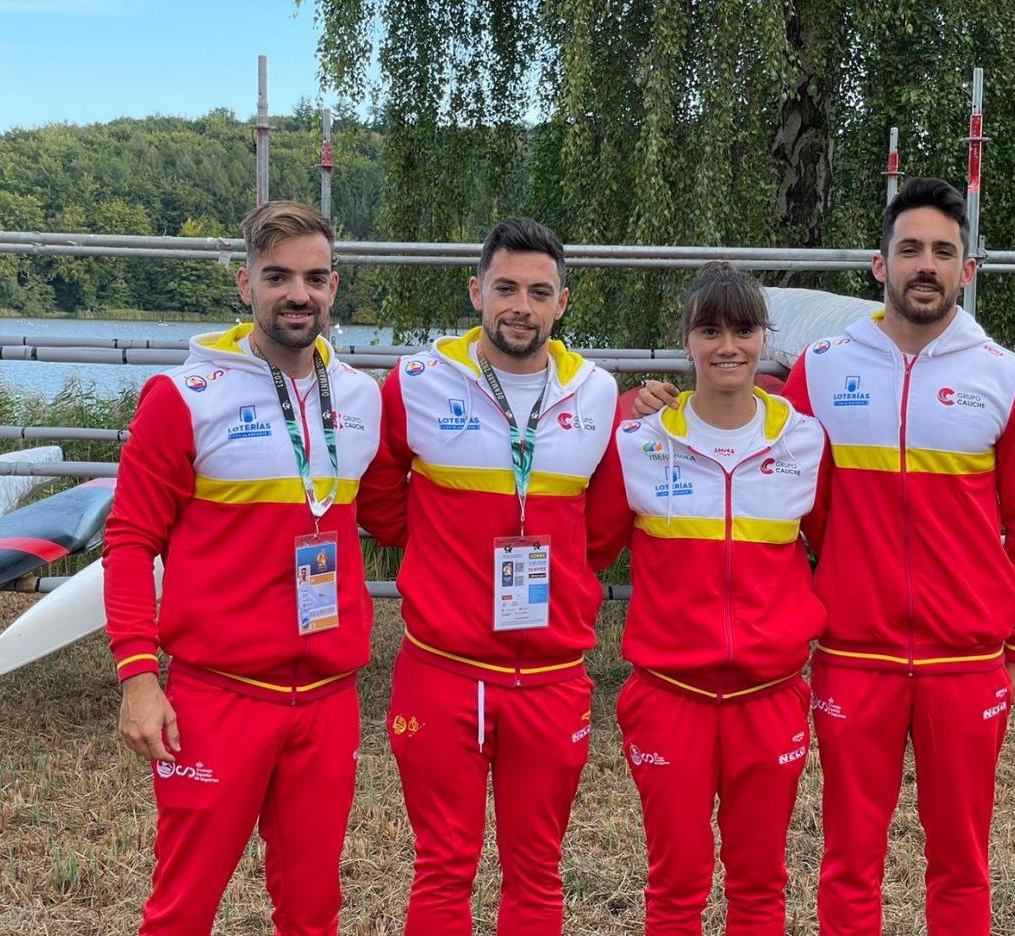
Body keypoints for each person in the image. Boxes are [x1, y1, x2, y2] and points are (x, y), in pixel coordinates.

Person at [633, 178, 1015, 935]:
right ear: (878, 264)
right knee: (849, 861)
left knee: (962, 863)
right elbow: (765, 448)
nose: (924, 265)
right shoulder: (825, 367)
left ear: (968, 270)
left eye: (942, 252)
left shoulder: (1006, 375)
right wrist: (662, 411)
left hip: (965, 662)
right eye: (909, 250)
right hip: (852, 656)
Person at [103, 200, 406, 935]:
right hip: (218, 696)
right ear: (245, 284)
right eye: (277, 277)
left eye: (313, 277)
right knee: (183, 907)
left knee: (312, 910)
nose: (296, 294)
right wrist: (139, 678)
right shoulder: (183, 397)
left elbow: (405, 519)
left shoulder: (363, 397)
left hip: (329, 698)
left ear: (335, 287)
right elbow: (129, 539)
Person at [379, 217, 617, 936]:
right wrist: (442, 556)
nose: (521, 305)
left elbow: (602, 527)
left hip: (549, 675)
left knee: (538, 870)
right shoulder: (417, 381)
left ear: (563, 302)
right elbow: (382, 496)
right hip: (443, 667)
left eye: (538, 292)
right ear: (476, 290)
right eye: (506, 287)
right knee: (444, 867)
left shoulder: (597, 393)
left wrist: (563, 573)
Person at [587, 263, 830, 934]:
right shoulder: (640, 440)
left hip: (769, 696)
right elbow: (590, 546)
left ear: (763, 339)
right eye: (710, 329)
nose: (729, 345)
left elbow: (837, 545)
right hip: (670, 698)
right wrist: (618, 411)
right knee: (675, 888)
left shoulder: (804, 441)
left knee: (759, 888)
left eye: (745, 329)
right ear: (687, 341)